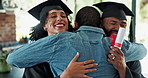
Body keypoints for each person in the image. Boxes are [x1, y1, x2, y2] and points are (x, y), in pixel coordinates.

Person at [7, 5, 147, 78]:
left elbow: (12, 59)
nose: (60, 19)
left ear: (73, 24)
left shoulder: (60, 41)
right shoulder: (36, 58)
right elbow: (143, 50)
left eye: (63, 16)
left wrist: (123, 69)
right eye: (53, 16)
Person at [93, 2, 147, 78]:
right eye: (113, 23)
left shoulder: (131, 59)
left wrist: (123, 68)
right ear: (101, 25)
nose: (118, 28)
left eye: (123, 24)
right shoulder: (92, 47)